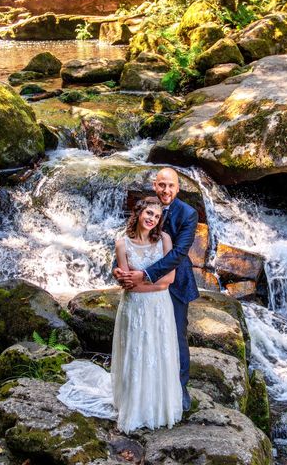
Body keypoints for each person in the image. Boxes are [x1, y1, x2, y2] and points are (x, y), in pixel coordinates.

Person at [58, 197, 182, 433]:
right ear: (139, 213)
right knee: (136, 352)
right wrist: (152, 285)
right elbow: (128, 285)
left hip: (159, 307)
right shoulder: (122, 244)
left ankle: (157, 406)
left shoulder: (164, 240)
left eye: (156, 216)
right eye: (148, 213)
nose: (151, 219)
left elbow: (170, 279)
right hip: (134, 306)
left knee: (157, 350)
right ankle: (134, 406)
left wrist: (150, 285)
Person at [114, 167, 200, 411]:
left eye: (171, 186)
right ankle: (144, 390)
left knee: (176, 335)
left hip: (176, 283)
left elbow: (178, 253)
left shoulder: (188, 214)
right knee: (146, 335)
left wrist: (146, 275)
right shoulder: (147, 206)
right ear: (155, 185)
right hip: (140, 285)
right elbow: (131, 238)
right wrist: (117, 270)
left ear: (178, 188)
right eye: (162, 185)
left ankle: (180, 388)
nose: (166, 190)